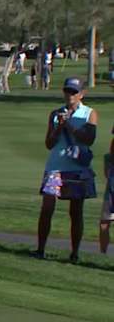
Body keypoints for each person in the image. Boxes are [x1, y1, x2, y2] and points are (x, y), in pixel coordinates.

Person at [34, 77, 98, 263]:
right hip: (55, 165)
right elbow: (49, 143)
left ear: (81, 94)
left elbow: (89, 139)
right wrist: (60, 126)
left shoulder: (89, 114)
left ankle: (75, 253)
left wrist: (69, 125)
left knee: (76, 211)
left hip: (76, 168)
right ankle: (40, 249)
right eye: (67, 91)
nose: (70, 95)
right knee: (47, 207)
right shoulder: (55, 114)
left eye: (74, 92)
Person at [100, 137, 114, 254]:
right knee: (104, 223)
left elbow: (107, 174)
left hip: (111, 193)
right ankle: (103, 253)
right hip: (110, 194)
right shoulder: (109, 158)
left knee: (105, 223)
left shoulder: (109, 158)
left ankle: (103, 253)